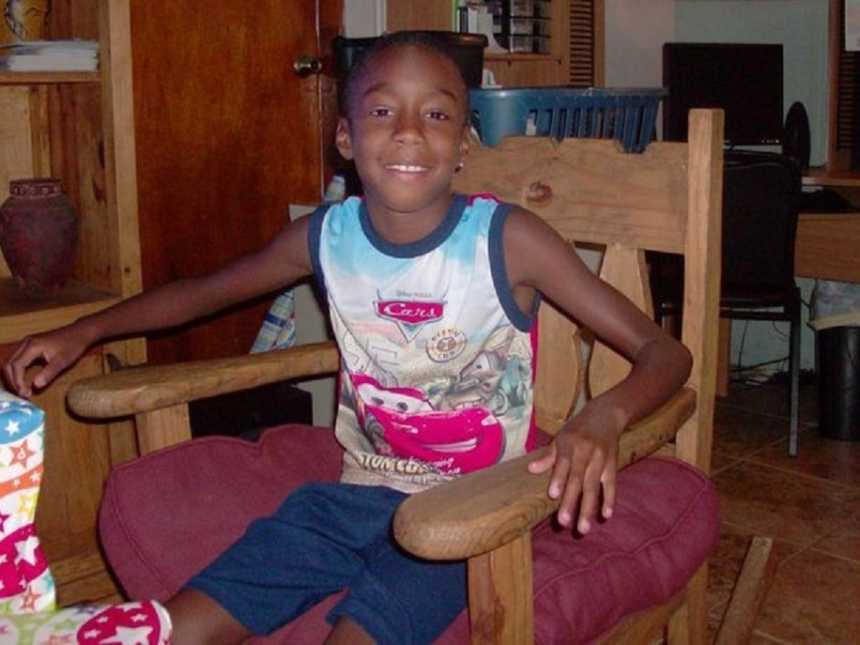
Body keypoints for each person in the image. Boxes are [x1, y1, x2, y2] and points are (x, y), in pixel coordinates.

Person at [2, 31, 692, 645]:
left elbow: (666, 352)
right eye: (384, 111)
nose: (411, 132)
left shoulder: (508, 240)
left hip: (471, 514)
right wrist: (84, 329)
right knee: (187, 622)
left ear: (463, 143)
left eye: (438, 114)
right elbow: (200, 292)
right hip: (348, 497)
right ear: (345, 137)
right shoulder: (325, 238)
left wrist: (603, 414)